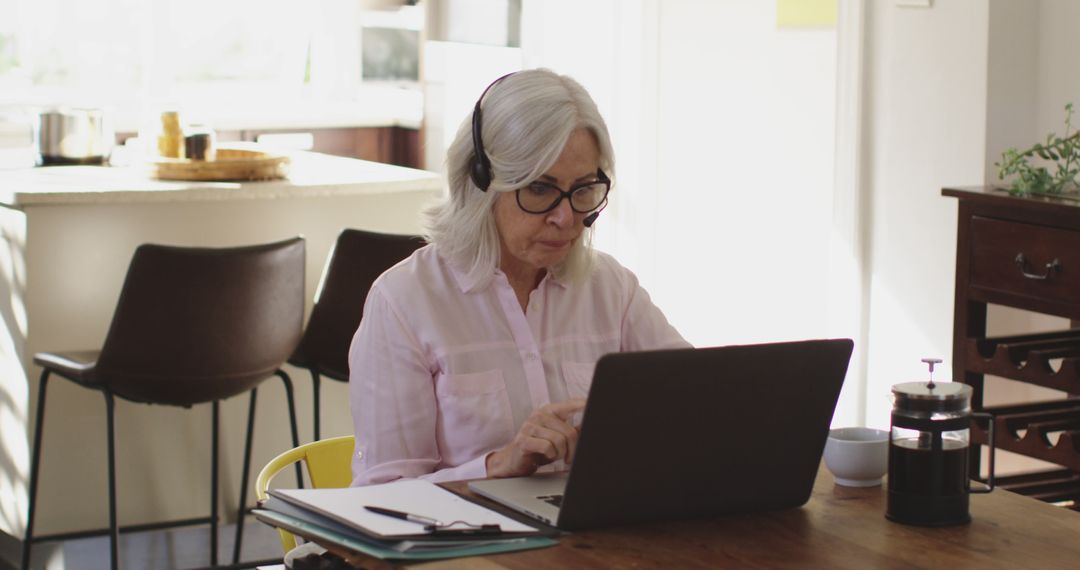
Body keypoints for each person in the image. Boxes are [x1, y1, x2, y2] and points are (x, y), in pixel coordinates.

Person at [349, 69, 689, 486]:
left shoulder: (612, 290)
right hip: (463, 546)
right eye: (540, 189)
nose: (567, 218)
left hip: (592, 540)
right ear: (479, 182)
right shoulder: (404, 301)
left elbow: (696, 402)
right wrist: (498, 465)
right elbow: (380, 499)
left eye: (584, 189)